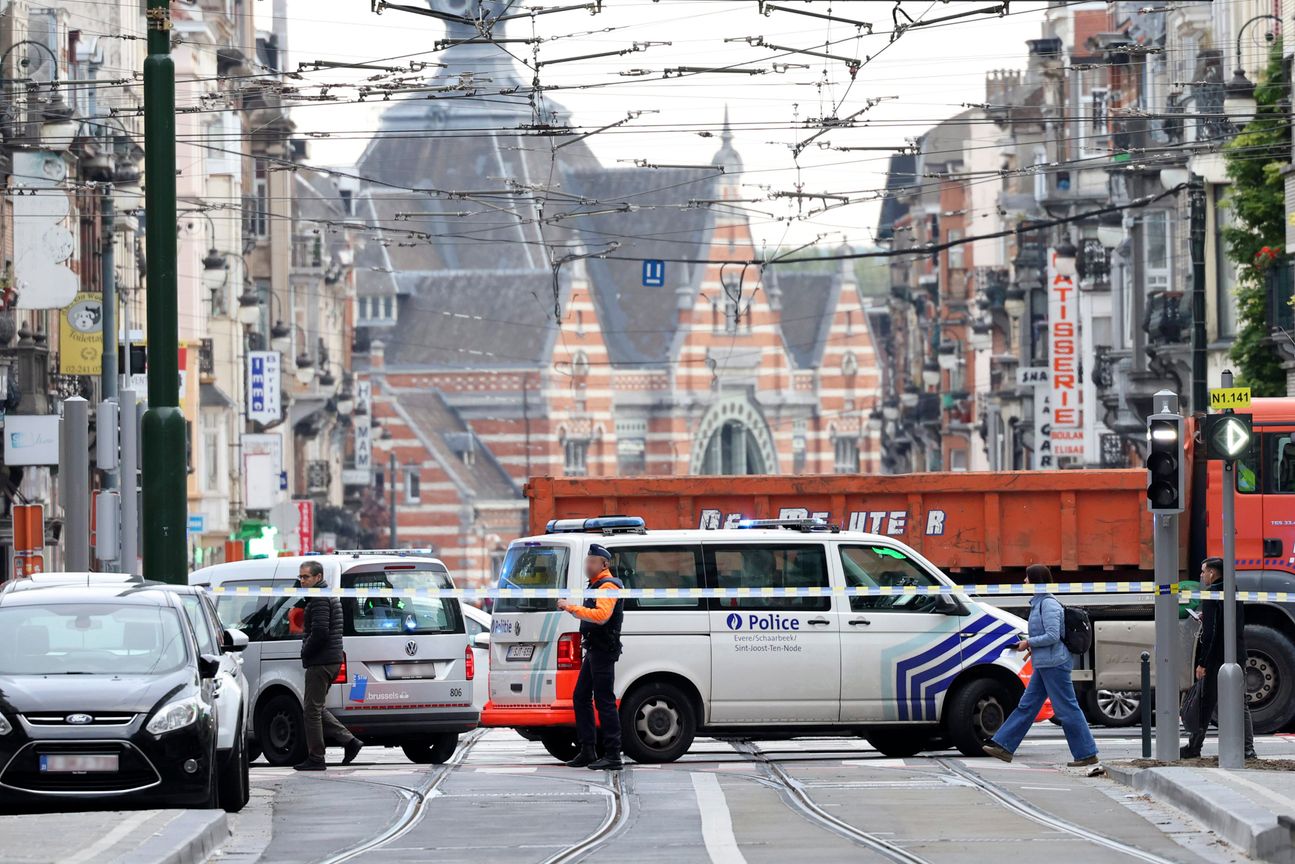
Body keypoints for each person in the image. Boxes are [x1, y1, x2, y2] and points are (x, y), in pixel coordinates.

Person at [983, 563, 1100, 769]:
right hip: (1045, 662)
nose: (1024, 581)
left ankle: (1087, 753)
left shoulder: (1048, 604)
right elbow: (1046, 636)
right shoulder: (1039, 603)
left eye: (1027, 578)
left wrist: (1029, 643)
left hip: (1055, 663)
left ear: (1036, 580)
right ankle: (1003, 746)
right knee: (1027, 706)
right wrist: (1033, 647)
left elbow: (1053, 636)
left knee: (1066, 708)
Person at [556, 544, 624, 770]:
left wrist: (571, 608)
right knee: (581, 696)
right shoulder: (596, 585)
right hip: (595, 649)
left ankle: (613, 755)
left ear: (604, 564)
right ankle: (588, 750)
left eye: (592, 561)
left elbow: (602, 616)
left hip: (603, 650)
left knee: (604, 700)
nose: (587, 565)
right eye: (587, 561)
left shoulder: (607, 586)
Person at [1182, 557, 1257, 760]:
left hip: (1216, 658)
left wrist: (1202, 663)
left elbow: (1211, 633)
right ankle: (1248, 750)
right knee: (1240, 703)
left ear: (1213, 573)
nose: (1201, 575)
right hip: (1236, 654)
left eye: (1203, 571)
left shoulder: (1213, 594)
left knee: (1205, 702)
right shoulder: (1234, 590)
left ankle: (1194, 747)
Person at [295, 561, 363, 771]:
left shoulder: (319, 598)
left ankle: (316, 757)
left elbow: (320, 632)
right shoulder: (324, 595)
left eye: (306, 577)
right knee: (317, 707)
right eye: (301, 577)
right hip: (330, 659)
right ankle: (350, 741)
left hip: (321, 660)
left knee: (311, 712)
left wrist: (305, 650)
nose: (302, 581)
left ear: (318, 577)